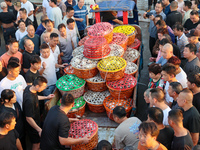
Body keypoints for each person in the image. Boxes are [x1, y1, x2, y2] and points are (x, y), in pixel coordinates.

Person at [23, 76, 55, 150]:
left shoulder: (29, 88)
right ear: (37, 86)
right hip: (32, 125)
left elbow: (35, 97)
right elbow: (28, 118)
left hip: (36, 120)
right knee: (36, 143)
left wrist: (47, 97)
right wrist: (39, 129)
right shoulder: (29, 100)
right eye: (43, 86)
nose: (44, 88)